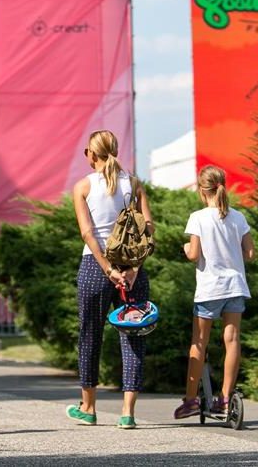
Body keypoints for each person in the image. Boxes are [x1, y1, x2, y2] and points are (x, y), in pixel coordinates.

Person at [66, 129, 155, 429]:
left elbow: (87, 233)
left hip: (95, 267)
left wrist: (107, 269)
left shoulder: (83, 186)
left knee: (90, 336)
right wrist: (133, 269)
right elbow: (148, 229)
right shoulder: (135, 184)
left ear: (92, 154)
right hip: (132, 268)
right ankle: (128, 413)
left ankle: (88, 408)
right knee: (134, 335)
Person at [174, 165, 255, 419]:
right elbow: (250, 253)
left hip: (210, 289)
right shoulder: (238, 217)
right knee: (232, 340)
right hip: (235, 286)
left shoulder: (198, 217)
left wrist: (185, 248)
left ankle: (190, 400)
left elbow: (194, 254)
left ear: (202, 190)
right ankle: (225, 398)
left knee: (199, 342)